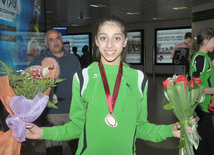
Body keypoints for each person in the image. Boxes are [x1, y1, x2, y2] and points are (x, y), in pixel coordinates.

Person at [25, 16, 193, 155]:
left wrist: (170, 130)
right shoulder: (83, 77)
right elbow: (76, 127)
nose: (110, 45)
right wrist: (42, 132)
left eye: (117, 38)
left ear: (125, 41)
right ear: (97, 41)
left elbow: (141, 128)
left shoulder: (139, 79)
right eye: (104, 38)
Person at [28, 29, 81, 155]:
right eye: (51, 40)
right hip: (51, 114)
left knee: (77, 147)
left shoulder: (73, 59)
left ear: (62, 40)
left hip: (73, 112)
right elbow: (30, 84)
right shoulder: (39, 61)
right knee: (53, 150)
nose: (55, 42)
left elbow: (81, 84)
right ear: (46, 44)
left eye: (57, 38)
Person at [189, 27, 214, 155]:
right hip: (202, 110)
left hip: (202, 110)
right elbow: (197, 88)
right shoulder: (201, 59)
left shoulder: (203, 58)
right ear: (206, 40)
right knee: (206, 148)